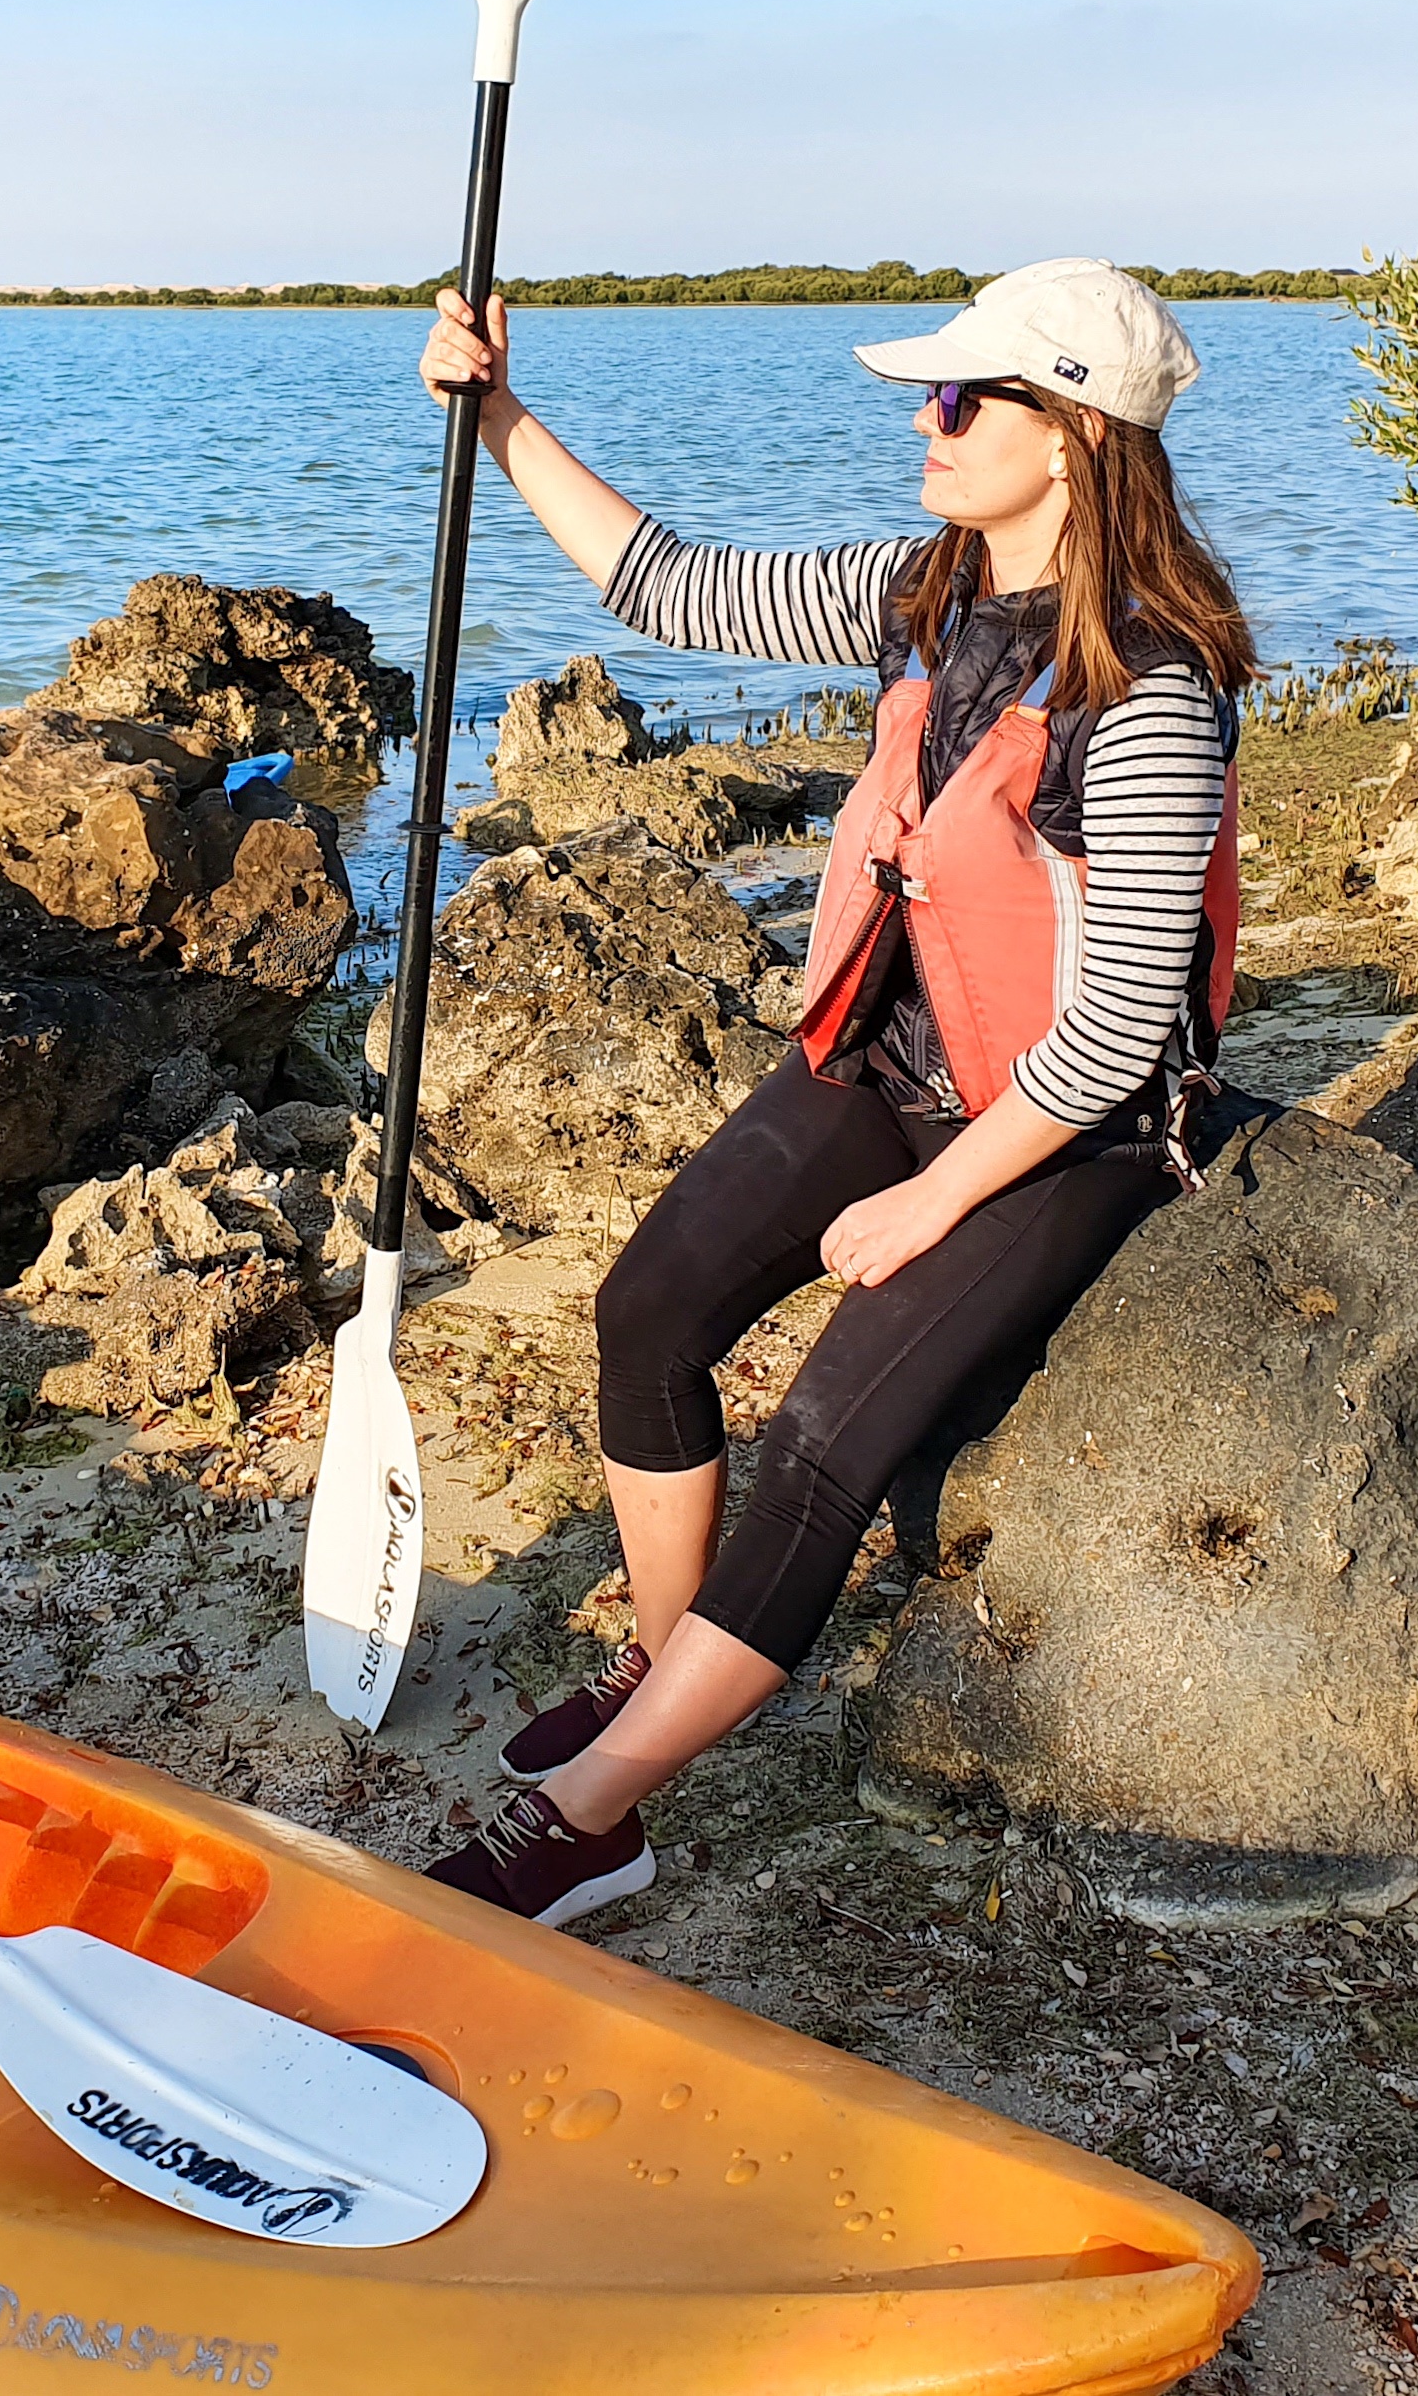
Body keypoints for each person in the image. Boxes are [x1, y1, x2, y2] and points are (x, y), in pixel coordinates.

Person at [407, 258, 1257, 1925]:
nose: (924, 425)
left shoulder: (1150, 694)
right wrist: (500, 417)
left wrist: (932, 1198)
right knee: (649, 1305)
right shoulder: (925, 594)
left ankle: (597, 1816)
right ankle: (666, 1662)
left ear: (1074, 435)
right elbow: (669, 586)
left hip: (1066, 1126)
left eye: (961, 398)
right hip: (900, 1046)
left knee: (816, 1450)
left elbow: (1118, 1028)